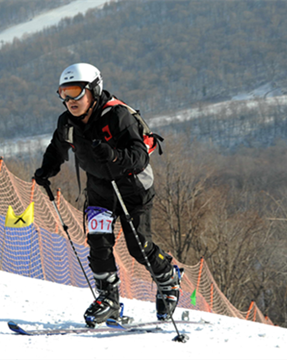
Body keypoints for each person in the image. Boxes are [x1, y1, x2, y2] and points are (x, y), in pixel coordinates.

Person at [33, 63, 181, 326]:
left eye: (76, 92)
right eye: (63, 94)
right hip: (100, 189)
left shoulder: (118, 116)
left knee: (139, 248)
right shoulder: (67, 122)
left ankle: (168, 279)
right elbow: (57, 148)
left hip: (133, 188)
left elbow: (138, 157)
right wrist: (46, 170)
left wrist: (113, 155)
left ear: (93, 90)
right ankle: (109, 300)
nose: (69, 101)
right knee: (98, 244)